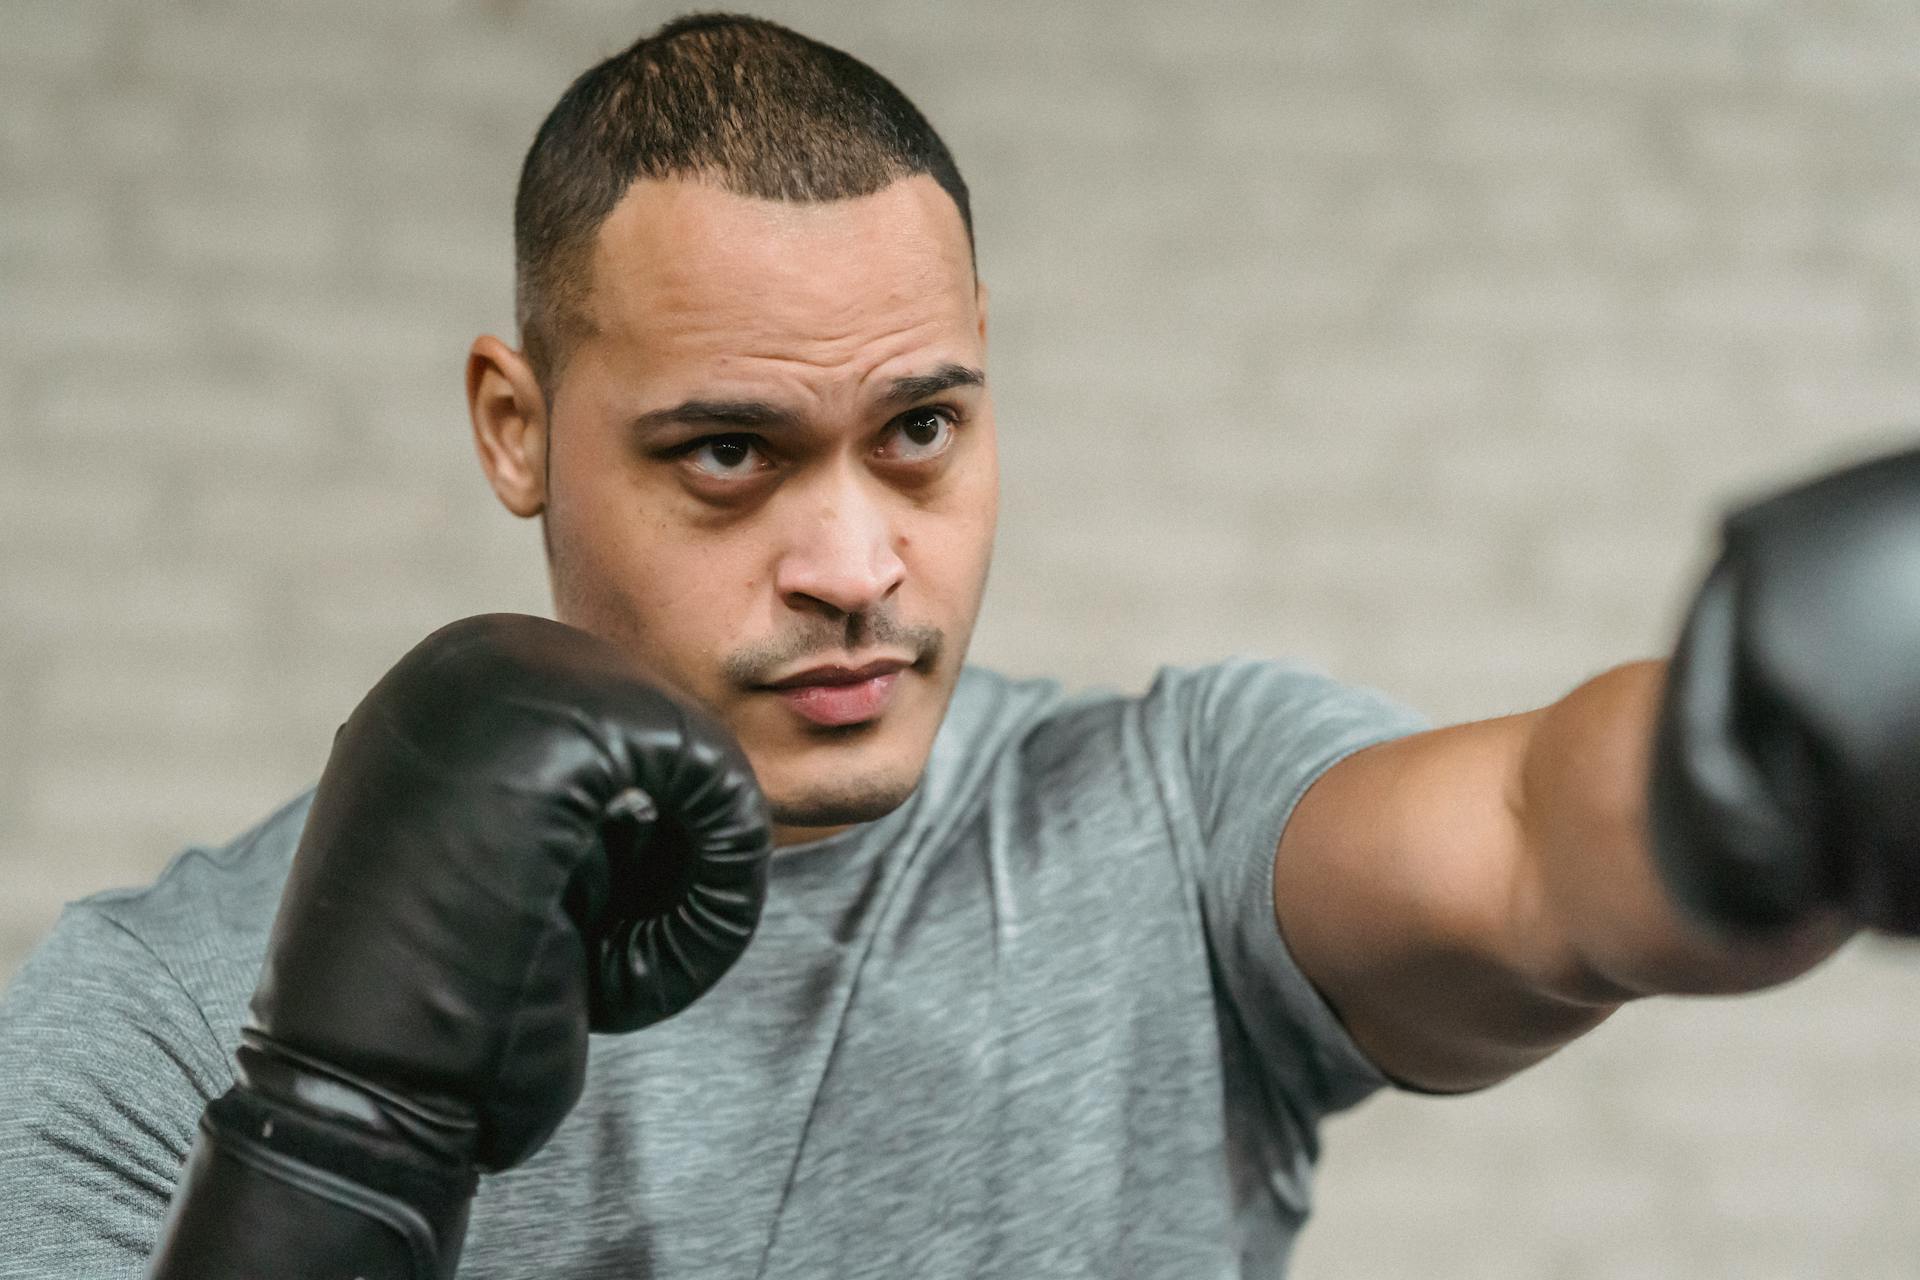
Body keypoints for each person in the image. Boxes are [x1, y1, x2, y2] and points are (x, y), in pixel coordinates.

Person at [1, 12, 1911, 1278]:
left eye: (920, 429)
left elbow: (1525, 847)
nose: (853, 562)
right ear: (519, 424)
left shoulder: (1169, 832)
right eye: (729, 453)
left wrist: (1754, 750)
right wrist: (343, 1134)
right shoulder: (153, 1022)